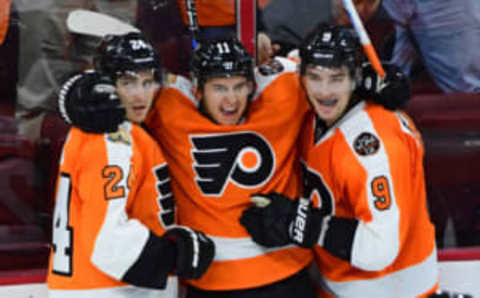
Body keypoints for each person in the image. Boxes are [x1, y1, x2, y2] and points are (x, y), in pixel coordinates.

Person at [59, 34, 410, 297]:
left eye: (240, 86)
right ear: (197, 89)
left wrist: (376, 80)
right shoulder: (167, 99)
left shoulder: (285, 86)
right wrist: (76, 95)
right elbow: (111, 92)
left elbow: (328, 69)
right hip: (209, 280)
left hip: (287, 274)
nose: (231, 99)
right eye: (219, 88)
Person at [240, 24, 439, 297]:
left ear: (355, 77)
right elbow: (295, 59)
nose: (325, 91)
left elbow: (380, 248)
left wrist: (302, 224)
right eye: (315, 77)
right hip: (338, 285)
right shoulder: (314, 117)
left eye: (337, 78)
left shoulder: (372, 145)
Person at [47, 32, 214, 298]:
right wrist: (172, 256)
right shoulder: (113, 139)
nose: (140, 95)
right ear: (107, 85)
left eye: (148, 82)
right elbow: (106, 238)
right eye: (128, 83)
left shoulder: (99, 130)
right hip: (109, 289)